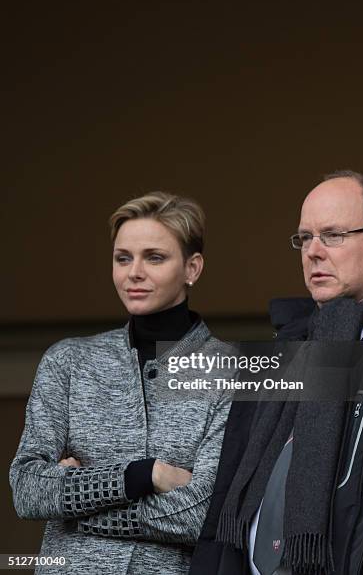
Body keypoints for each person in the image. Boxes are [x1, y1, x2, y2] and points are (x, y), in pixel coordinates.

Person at [190, 170, 363, 575]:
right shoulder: (282, 351)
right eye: (305, 238)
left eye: (333, 235)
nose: (313, 251)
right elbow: (224, 493)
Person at [10, 191, 233, 575]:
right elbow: (28, 489)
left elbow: (205, 514)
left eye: (155, 257)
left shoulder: (228, 370)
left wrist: (76, 503)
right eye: (123, 258)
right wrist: (145, 475)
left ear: (192, 268)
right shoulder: (69, 361)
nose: (134, 272)